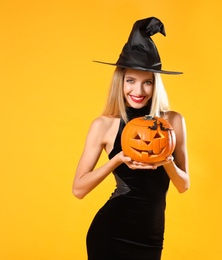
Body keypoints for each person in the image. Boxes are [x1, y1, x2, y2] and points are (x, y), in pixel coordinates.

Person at [72, 17, 190, 260]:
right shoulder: (104, 125)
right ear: (120, 81)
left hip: (151, 237)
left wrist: (166, 160)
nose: (138, 91)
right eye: (131, 81)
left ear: (156, 84)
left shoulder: (172, 122)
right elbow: (78, 189)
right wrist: (117, 160)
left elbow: (183, 185)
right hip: (111, 234)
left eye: (147, 82)